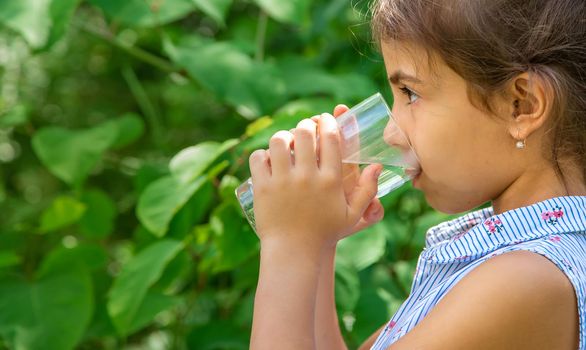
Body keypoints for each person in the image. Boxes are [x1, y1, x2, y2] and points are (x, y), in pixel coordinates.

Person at [247, 0, 586, 348]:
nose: (392, 134)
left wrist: (288, 247)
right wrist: (316, 245)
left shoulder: (523, 280)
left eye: (410, 93)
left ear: (522, 106)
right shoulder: (507, 262)